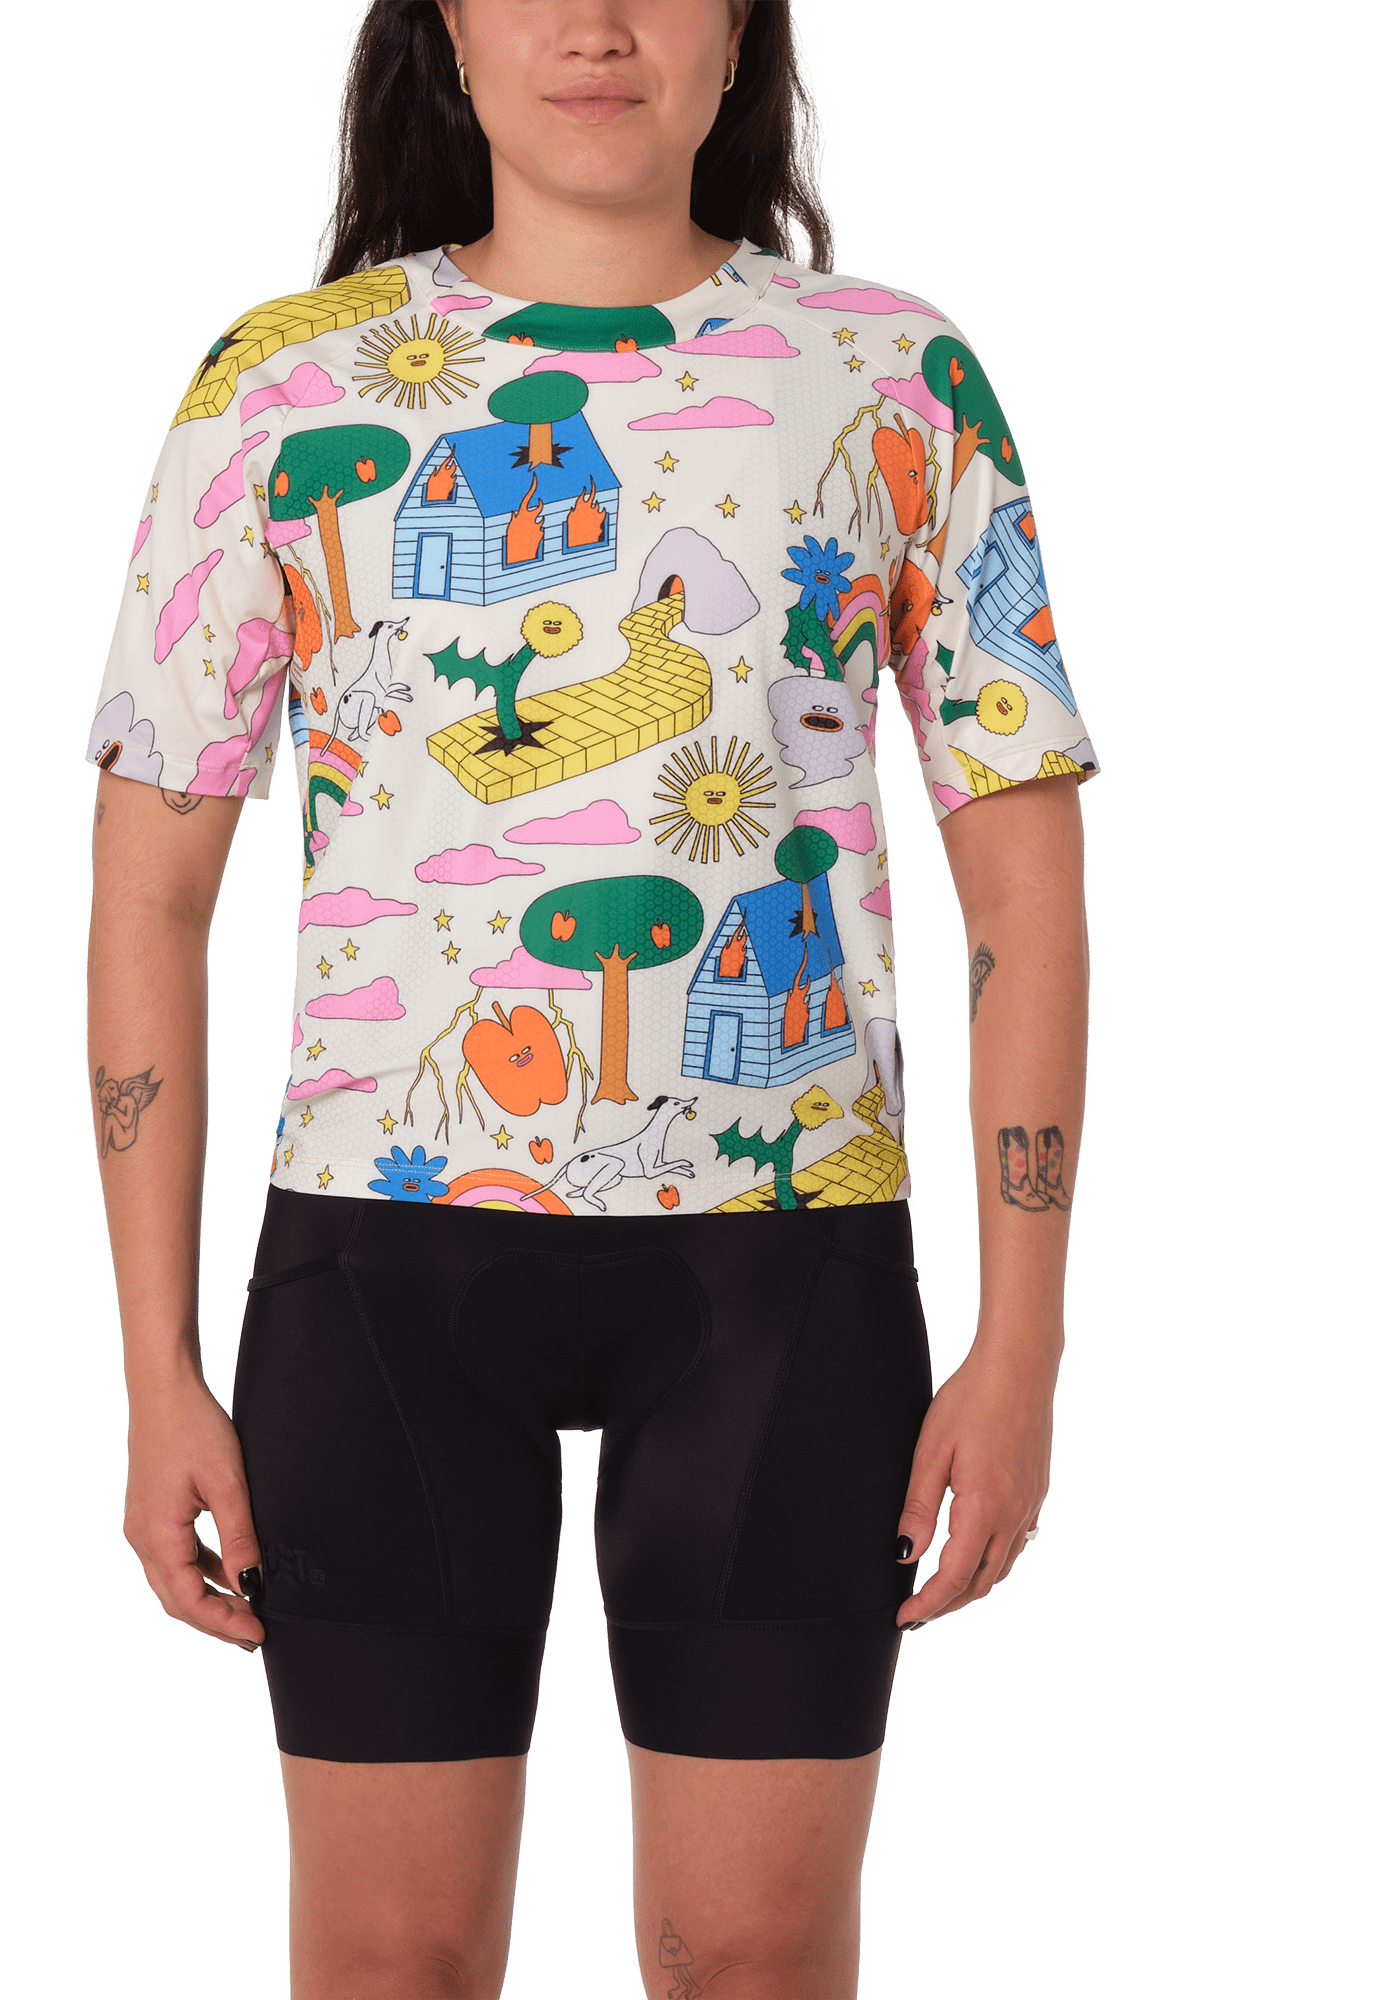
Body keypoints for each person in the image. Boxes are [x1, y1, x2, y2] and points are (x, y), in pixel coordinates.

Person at [78, 1, 1096, 1992]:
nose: (598, 24)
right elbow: (148, 900)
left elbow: (1025, 893)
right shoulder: (275, 388)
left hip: (784, 1273)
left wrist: (1021, 1353)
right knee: (388, 1968)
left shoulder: (890, 373)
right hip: (375, 1267)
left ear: (744, 28)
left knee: (755, 1963)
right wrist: (156, 1371)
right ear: (447, 31)